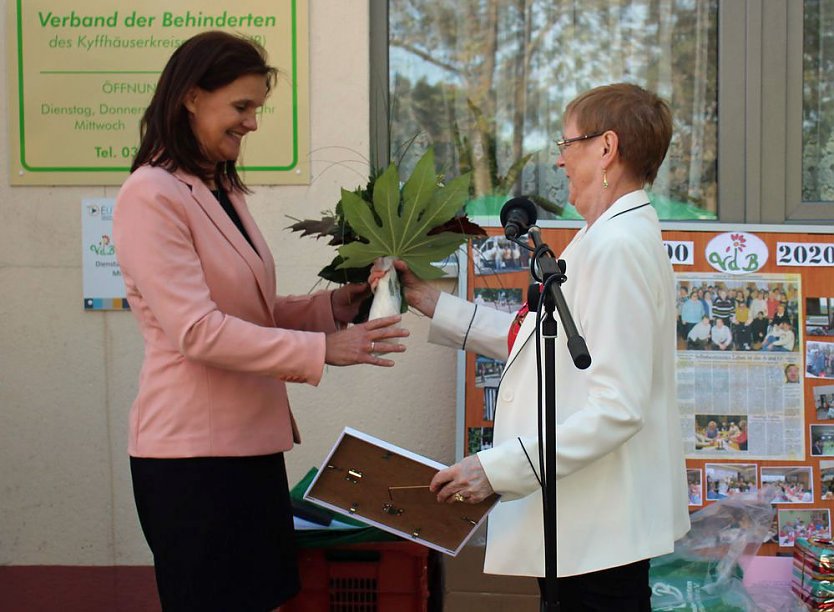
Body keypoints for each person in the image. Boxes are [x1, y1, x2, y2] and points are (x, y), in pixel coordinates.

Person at [112, 32, 408, 611]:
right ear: (191, 97)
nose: (251, 123)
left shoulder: (218, 188)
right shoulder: (151, 194)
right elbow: (197, 330)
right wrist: (324, 351)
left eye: (257, 109)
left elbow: (249, 312)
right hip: (193, 462)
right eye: (241, 107)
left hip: (248, 449)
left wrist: (336, 308)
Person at [394, 83, 690, 609]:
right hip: (582, 527)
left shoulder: (618, 247)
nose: (559, 160)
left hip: (595, 529)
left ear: (606, 148)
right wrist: (429, 302)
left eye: (567, 143)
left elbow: (619, 408)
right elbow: (537, 341)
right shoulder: (608, 236)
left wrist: (497, 469)